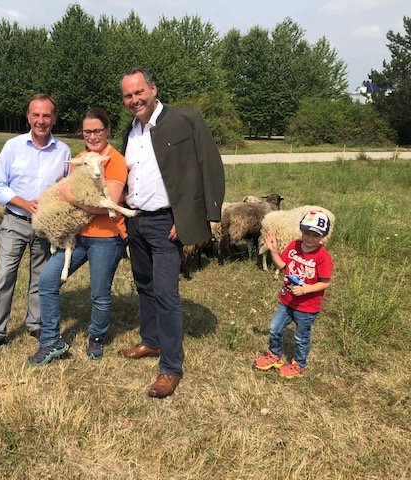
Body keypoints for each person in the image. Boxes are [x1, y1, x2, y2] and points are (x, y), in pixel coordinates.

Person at [117, 68, 226, 398]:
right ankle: (151, 341)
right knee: (144, 285)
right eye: (128, 95)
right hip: (136, 221)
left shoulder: (186, 120)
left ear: (154, 89)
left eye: (139, 92)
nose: (135, 100)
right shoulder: (130, 130)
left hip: (166, 223)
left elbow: (209, 166)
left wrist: (194, 217)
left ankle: (171, 366)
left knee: (166, 292)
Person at [28, 107, 128, 366]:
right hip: (77, 235)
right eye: (87, 132)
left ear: (107, 130)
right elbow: (70, 193)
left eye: (97, 131)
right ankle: (51, 340)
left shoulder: (115, 161)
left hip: (106, 237)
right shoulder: (81, 158)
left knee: (99, 292)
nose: (92, 136)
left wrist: (70, 198)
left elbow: (109, 203)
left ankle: (96, 336)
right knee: (47, 281)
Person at [0, 94, 71, 354]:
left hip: (45, 225)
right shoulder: (13, 147)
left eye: (46, 115)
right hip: (15, 220)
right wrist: (24, 203)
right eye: (36, 115)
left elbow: (66, 188)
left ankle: (35, 324)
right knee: (6, 274)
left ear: (54, 119)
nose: (41, 120)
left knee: (41, 275)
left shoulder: (63, 151)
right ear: (28, 117)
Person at [253, 211, 334, 378]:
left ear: (323, 236)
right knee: (274, 328)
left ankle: (299, 364)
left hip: (306, 307)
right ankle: (274, 355)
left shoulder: (323, 257)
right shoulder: (294, 246)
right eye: (306, 233)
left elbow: (325, 283)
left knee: (301, 337)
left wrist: (305, 289)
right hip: (287, 300)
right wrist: (273, 251)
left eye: (315, 235)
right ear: (301, 230)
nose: (310, 238)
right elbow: (281, 265)